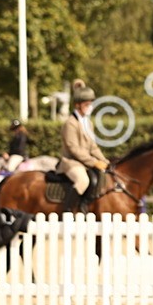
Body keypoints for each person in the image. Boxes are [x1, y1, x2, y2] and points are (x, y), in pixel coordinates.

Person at [56, 82, 108, 211]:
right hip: (71, 163)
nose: (90, 107)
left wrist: (105, 161)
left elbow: (93, 147)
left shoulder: (88, 123)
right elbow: (74, 149)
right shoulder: (70, 123)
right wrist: (94, 162)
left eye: (90, 104)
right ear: (77, 105)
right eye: (87, 104)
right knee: (83, 180)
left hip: (84, 162)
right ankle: (68, 210)